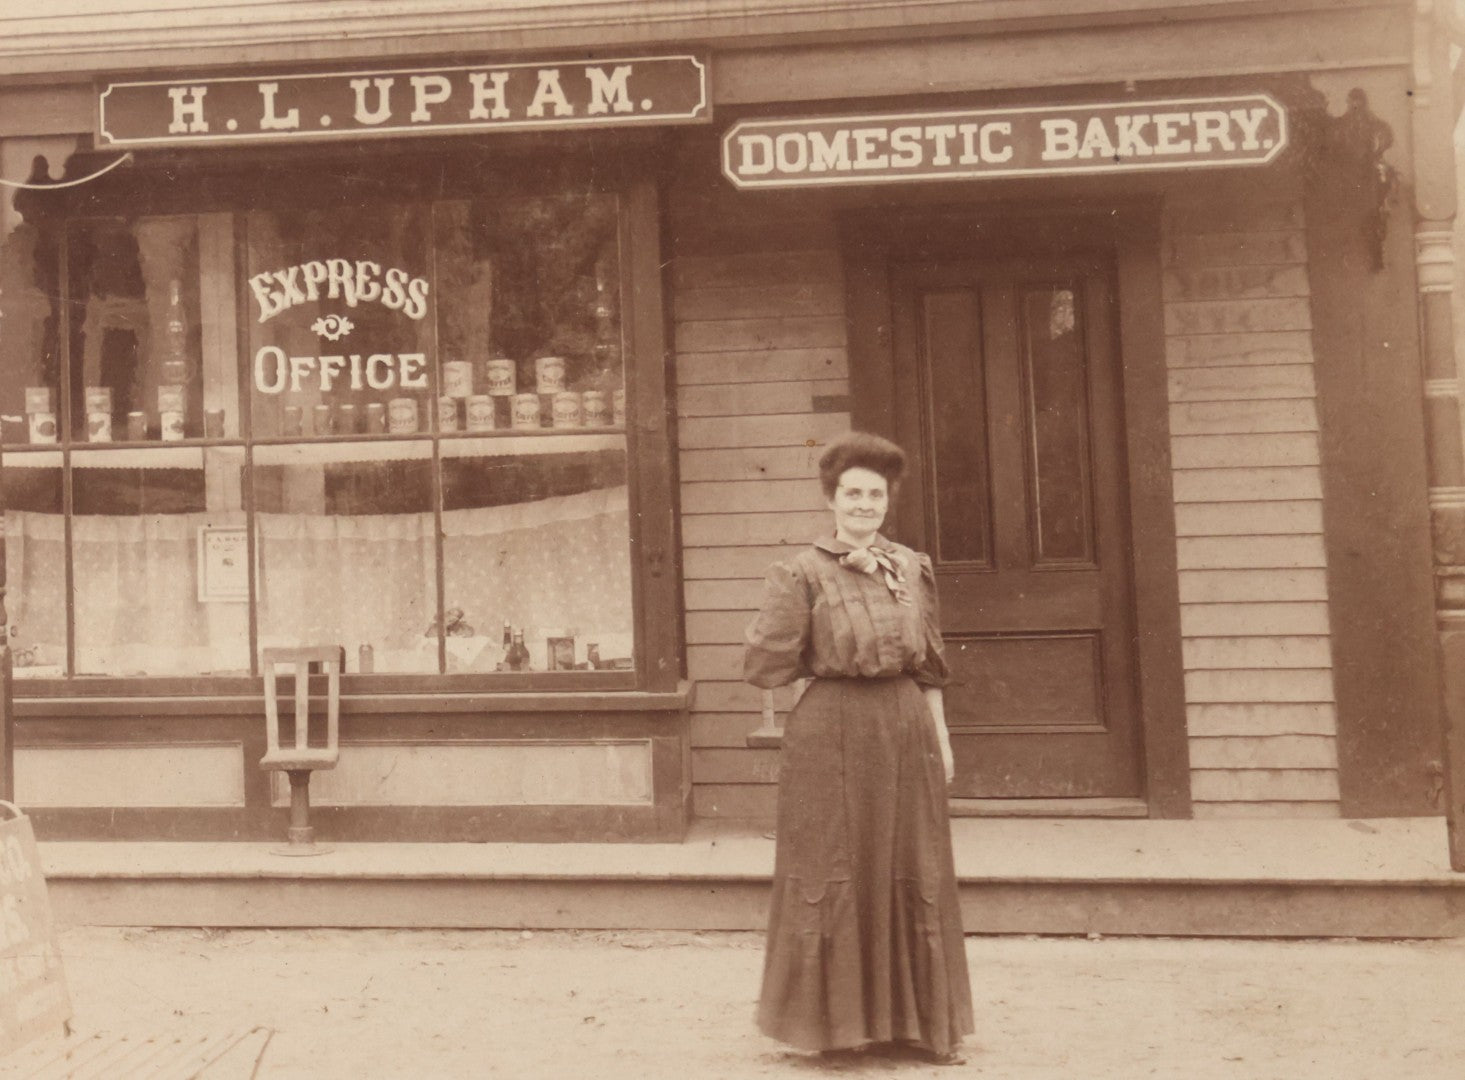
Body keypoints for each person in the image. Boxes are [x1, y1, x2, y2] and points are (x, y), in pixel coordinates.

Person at [744, 430, 974, 1065]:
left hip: (905, 727)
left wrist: (942, 738)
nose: (864, 504)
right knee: (835, 866)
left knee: (913, 864)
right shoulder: (801, 571)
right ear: (831, 500)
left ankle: (919, 1028)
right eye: (852, 493)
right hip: (832, 730)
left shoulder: (913, 568)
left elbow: (930, 665)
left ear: (887, 502)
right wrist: (783, 622)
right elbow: (765, 666)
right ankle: (835, 1031)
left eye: (875, 494)